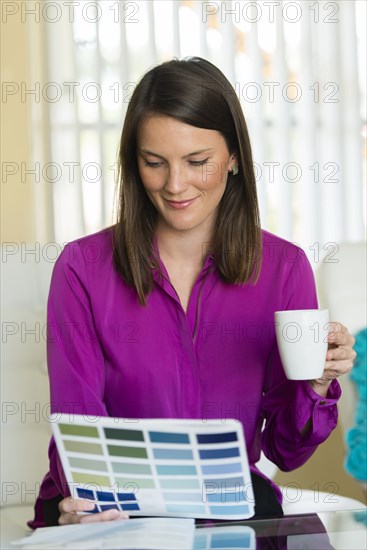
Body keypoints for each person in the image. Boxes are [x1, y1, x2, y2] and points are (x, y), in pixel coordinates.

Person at [29, 57, 356, 528]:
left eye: (197, 162)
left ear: (234, 157)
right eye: (154, 163)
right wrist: (91, 506)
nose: (175, 185)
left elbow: (287, 451)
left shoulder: (284, 269)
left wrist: (319, 382)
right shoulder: (82, 268)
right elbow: (76, 430)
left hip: (229, 509)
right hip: (110, 508)